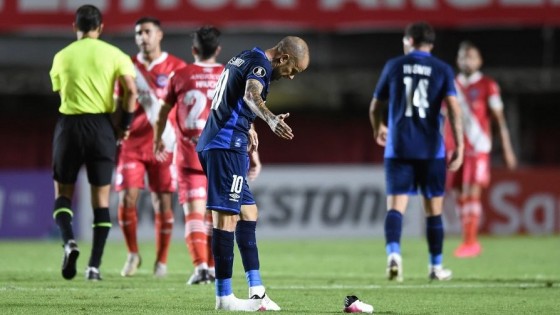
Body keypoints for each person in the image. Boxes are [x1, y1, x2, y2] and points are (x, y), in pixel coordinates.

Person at [195, 36, 309, 311]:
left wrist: (249, 126)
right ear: (283, 59)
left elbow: (231, 98)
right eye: (293, 70)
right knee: (226, 219)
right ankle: (224, 297)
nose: (291, 77)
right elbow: (250, 94)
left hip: (223, 141)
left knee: (249, 213)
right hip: (225, 146)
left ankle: (257, 291)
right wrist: (269, 120)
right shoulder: (260, 65)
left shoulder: (245, 56)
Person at [154, 26, 256, 285]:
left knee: (194, 215)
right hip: (222, 152)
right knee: (218, 213)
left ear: (194, 50)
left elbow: (163, 112)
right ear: (218, 49)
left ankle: (201, 268)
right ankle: (213, 268)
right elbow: (242, 112)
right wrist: (254, 148)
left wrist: (158, 138)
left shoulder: (180, 75)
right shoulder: (229, 73)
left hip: (189, 155)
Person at [369, 22, 464, 282]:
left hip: (398, 147)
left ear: (409, 41)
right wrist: (460, 145)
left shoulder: (394, 65)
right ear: (430, 44)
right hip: (432, 149)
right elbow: (455, 110)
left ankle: (393, 256)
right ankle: (435, 267)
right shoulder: (443, 69)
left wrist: (379, 128)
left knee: (395, 208)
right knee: (433, 210)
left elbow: (375, 105)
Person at [49, 4, 137, 281]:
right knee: (101, 201)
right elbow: (131, 92)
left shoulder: (61, 57)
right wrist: (123, 126)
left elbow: (60, 90)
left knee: (63, 194)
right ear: (101, 28)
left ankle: (69, 242)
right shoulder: (116, 55)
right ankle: (93, 267)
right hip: (101, 128)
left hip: (69, 126)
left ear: (74, 27)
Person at [115, 16, 187, 278]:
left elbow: (185, 107)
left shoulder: (177, 68)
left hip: (164, 145)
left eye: (147, 32)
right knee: (126, 199)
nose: (142, 37)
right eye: (138, 33)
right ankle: (133, 253)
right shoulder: (127, 67)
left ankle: (161, 261)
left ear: (159, 35)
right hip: (132, 144)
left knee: (163, 204)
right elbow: (118, 104)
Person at [446, 41, 517, 258]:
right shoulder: (451, 85)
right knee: (458, 193)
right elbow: (444, 118)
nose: (466, 61)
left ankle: (470, 242)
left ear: (479, 61)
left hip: (478, 146)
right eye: (463, 57)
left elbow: (499, 119)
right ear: (458, 61)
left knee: (470, 191)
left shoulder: (488, 85)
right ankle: (467, 238)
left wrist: (507, 148)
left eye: (471, 57)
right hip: (454, 147)